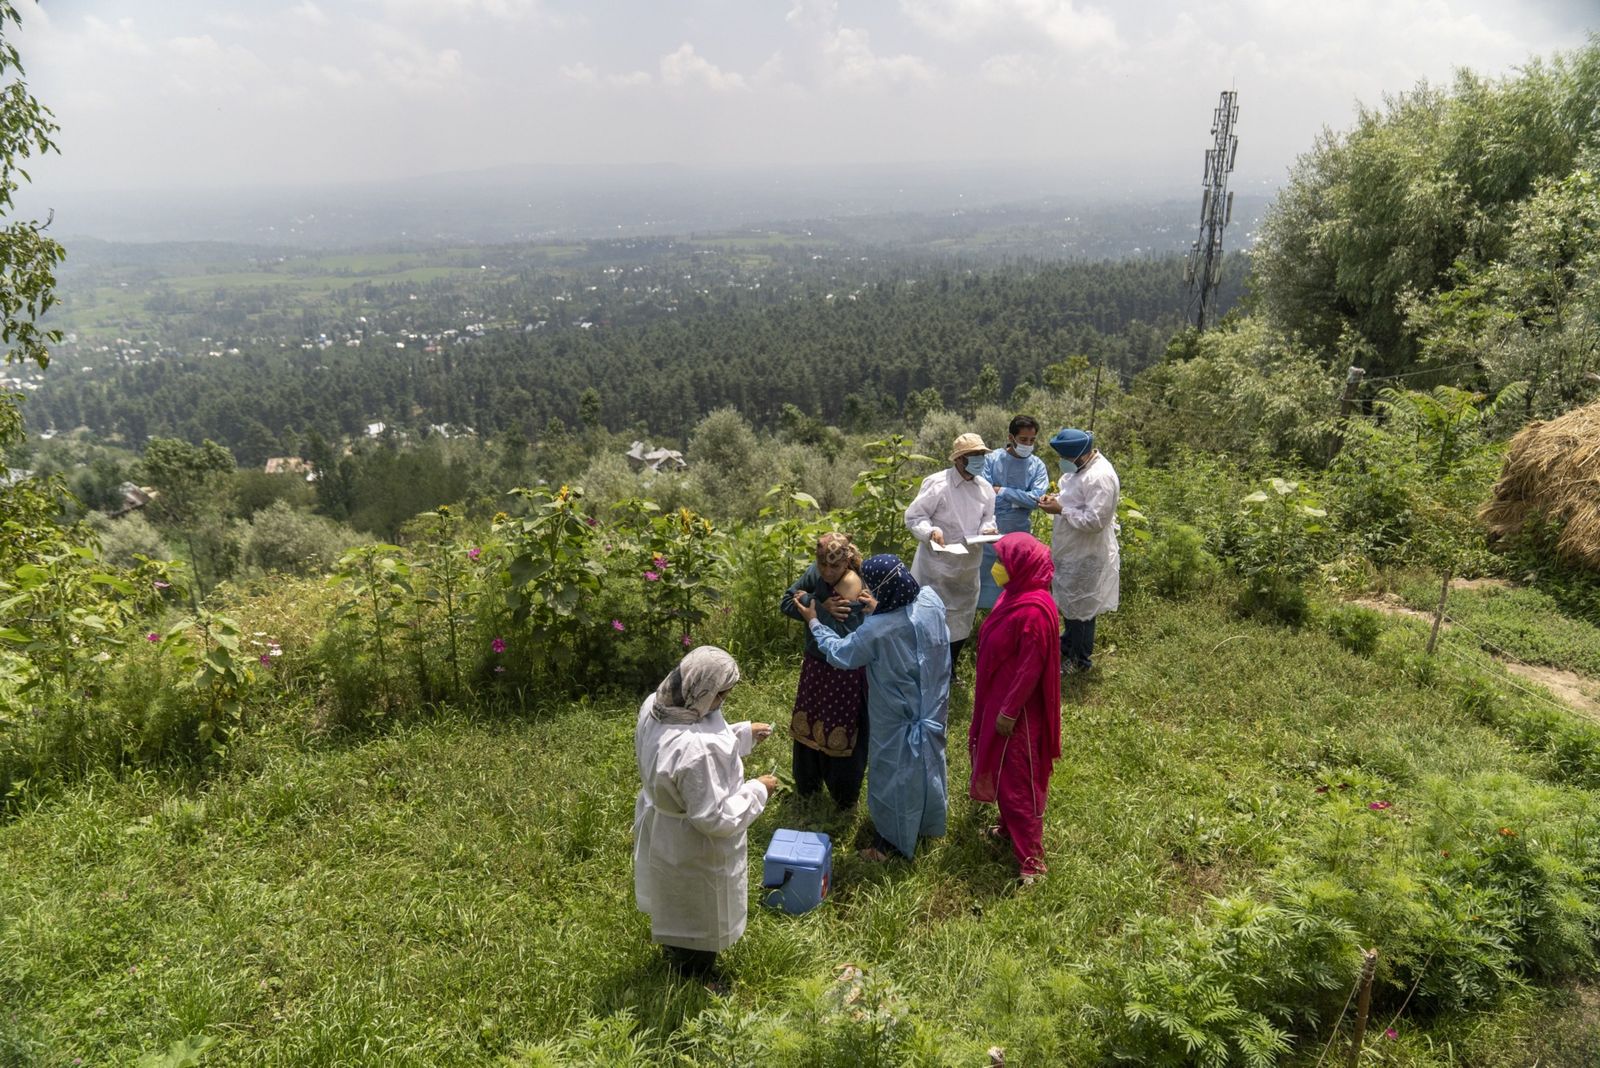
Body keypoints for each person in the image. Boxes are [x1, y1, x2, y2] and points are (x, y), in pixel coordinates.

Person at [632, 645, 777, 981]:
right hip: (694, 844)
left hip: (665, 828)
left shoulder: (657, 706)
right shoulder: (695, 752)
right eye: (720, 696)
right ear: (703, 691)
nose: (721, 703)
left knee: (674, 898)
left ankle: (678, 950)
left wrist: (742, 734)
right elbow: (715, 817)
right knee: (700, 910)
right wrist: (758, 790)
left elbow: (702, 736)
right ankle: (696, 974)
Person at [794, 554, 950, 862]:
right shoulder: (930, 601)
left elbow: (841, 653)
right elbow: (912, 630)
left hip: (896, 714)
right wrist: (881, 609)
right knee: (927, 764)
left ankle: (890, 845)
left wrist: (813, 621)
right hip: (931, 705)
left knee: (893, 773)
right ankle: (926, 823)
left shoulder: (877, 630)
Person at [969, 532, 1062, 884]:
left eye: (1003, 562)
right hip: (999, 699)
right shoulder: (1016, 594)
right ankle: (1008, 829)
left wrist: (1008, 711)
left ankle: (1031, 862)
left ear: (1021, 566)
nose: (997, 567)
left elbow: (1030, 668)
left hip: (1017, 712)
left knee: (1019, 781)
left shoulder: (1035, 610)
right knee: (1005, 773)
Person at [779, 533, 870, 809]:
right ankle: (807, 787)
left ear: (846, 561)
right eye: (823, 566)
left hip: (844, 673)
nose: (828, 572)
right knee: (808, 724)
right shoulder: (814, 574)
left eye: (835, 567)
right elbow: (786, 602)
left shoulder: (854, 584)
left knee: (840, 729)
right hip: (816, 664)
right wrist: (818, 602)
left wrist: (813, 609)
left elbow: (844, 634)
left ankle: (844, 797)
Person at [905, 432, 997, 672]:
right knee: (930, 615)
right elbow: (915, 516)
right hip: (937, 566)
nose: (979, 460)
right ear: (958, 459)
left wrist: (988, 529)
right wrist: (930, 531)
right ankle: (925, 667)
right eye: (973, 455)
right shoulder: (938, 483)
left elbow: (988, 518)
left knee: (962, 618)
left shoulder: (985, 488)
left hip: (968, 566)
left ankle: (951, 668)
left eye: (981, 455)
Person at [1037, 428, 1120, 674]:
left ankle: (1080, 660)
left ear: (1081, 456)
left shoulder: (1100, 477)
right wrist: (1056, 500)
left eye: (1066, 458)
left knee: (1082, 607)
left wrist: (1061, 510)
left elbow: (1095, 521)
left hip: (1087, 552)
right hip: (1072, 548)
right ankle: (1069, 644)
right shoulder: (1081, 470)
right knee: (1070, 602)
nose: (1063, 463)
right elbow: (1074, 498)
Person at [978, 415, 1050, 610]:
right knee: (985, 577)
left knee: (1015, 577)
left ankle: (1012, 616)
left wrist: (1002, 490)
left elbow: (1035, 500)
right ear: (1011, 438)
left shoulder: (1037, 466)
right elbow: (984, 494)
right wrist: (1020, 499)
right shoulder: (992, 460)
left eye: (1032, 440)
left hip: (1019, 531)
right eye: (1023, 440)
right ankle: (982, 625)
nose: (1028, 444)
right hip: (990, 528)